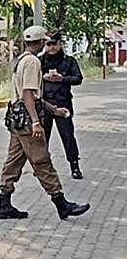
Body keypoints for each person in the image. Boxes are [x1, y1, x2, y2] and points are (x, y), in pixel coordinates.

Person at [0, 25, 90, 221]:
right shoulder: (32, 62)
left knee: (13, 161)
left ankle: (4, 204)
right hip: (27, 119)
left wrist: (54, 110)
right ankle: (61, 203)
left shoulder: (21, 59)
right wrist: (36, 122)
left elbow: (31, 95)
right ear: (40, 42)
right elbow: (28, 94)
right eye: (45, 41)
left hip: (17, 119)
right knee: (42, 161)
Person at [39, 32, 84, 179]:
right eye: (48, 44)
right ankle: (41, 168)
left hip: (62, 102)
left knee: (67, 135)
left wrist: (62, 79)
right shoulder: (39, 61)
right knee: (42, 138)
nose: (51, 47)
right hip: (44, 103)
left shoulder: (69, 61)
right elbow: (31, 79)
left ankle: (75, 166)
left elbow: (78, 78)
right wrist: (43, 77)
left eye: (54, 44)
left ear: (60, 44)